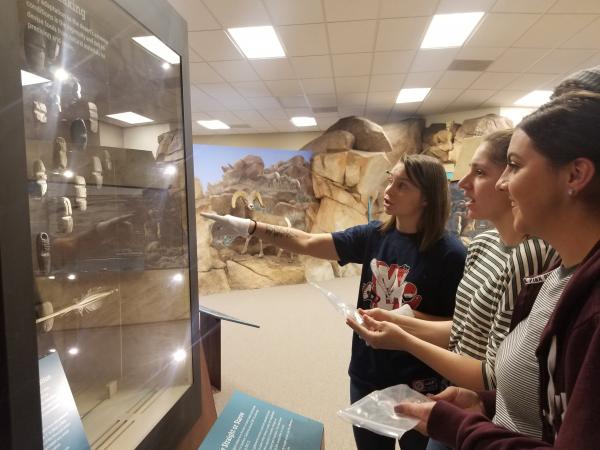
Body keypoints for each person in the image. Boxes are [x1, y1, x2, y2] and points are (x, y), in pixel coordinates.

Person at [202, 154, 467, 450]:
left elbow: (457, 330)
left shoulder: (451, 254)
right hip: (367, 374)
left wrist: (401, 321)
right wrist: (249, 227)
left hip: (419, 384)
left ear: (427, 197)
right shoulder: (373, 236)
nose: (388, 191)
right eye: (390, 180)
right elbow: (306, 241)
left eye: (402, 186)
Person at [396, 91, 600, 449]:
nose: (505, 183)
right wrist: (484, 404)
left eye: (516, 166)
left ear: (576, 174)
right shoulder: (559, 273)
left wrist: (460, 428)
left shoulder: (584, 301)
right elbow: (544, 399)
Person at [346, 130, 557, 450]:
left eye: (481, 172)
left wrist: (402, 337)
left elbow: (494, 370)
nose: (462, 184)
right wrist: (396, 322)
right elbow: (463, 331)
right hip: (463, 395)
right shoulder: (482, 244)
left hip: (490, 411)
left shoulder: (529, 255)